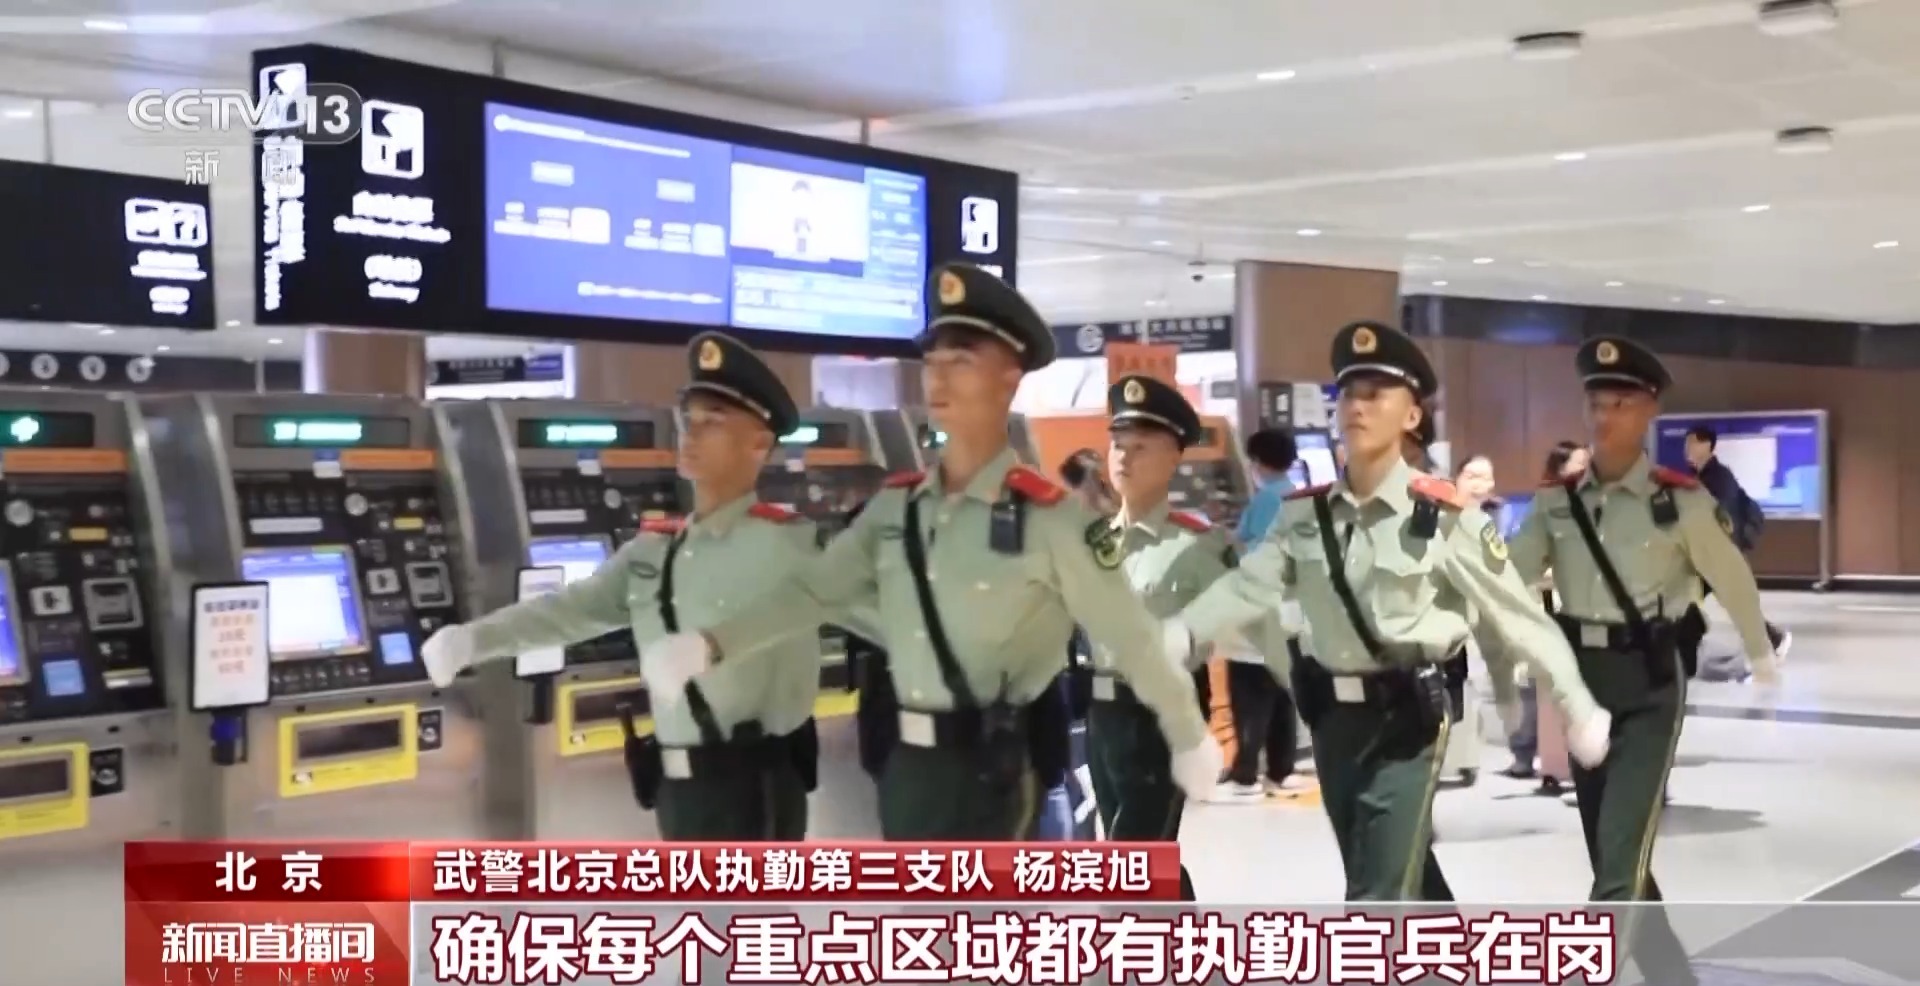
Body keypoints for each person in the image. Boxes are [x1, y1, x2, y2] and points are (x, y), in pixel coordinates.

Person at [636, 263, 1223, 840]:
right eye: (932, 363)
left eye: (961, 362)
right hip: (909, 767)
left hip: (993, 769)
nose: (938, 380)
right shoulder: (897, 509)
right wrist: (711, 643)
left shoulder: (1051, 520)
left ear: (1008, 377)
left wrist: (1186, 732)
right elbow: (814, 590)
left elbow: (1128, 634)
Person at [1162, 320, 1612, 901]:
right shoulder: (1306, 516)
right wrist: (1183, 632)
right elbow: (1248, 587)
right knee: (1392, 873)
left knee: (1376, 895)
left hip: (1408, 722)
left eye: (1377, 394)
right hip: (1332, 719)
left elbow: (1520, 615)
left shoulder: (1446, 517)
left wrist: (1577, 706)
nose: (1357, 406)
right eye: (1349, 393)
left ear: (1411, 415)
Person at [418, 331, 820, 841]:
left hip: (754, 789)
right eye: (689, 419)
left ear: (759, 444)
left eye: (714, 422)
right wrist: (473, 640)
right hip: (676, 792)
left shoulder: (790, 545)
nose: (692, 434)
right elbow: (570, 610)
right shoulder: (655, 550)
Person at [1507, 336, 1780, 985]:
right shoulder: (1556, 501)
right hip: (1582, 686)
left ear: (1650, 409)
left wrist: (1759, 650)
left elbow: (1731, 576)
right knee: (1615, 854)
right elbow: (1508, 577)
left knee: (1618, 858)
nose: (1605, 416)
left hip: (1650, 684)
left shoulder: (1679, 501)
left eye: (1621, 403)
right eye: (1596, 403)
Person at [1087, 374, 1281, 895]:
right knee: (1149, 862)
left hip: (1164, 718)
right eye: (1118, 445)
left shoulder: (1198, 546)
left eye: (1141, 447)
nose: (1124, 458)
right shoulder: (1091, 541)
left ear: (1174, 457)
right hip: (1102, 715)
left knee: (1129, 862)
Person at [1215, 426, 1305, 801]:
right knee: (1283, 693)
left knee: (1249, 693)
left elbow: (1251, 553)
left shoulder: (1266, 501)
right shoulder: (1297, 496)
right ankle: (1281, 771)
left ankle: (1246, 776)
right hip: (1291, 613)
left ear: (1256, 462)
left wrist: (1222, 538)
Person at [1505, 441, 1587, 785]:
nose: (1585, 470)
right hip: (1544, 607)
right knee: (1534, 683)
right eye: (1578, 464)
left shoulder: (1595, 503)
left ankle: (1565, 761)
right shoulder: (1544, 506)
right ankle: (1531, 755)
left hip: (1579, 609)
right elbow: (1522, 562)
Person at [1678, 426, 1791, 675]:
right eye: (1686, 443)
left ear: (1707, 445)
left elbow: (1725, 520)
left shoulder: (1719, 478)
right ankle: (1772, 640)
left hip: (1719, 554)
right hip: (1707, 554)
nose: (1687, 448)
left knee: (1706, 600)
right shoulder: (1699, 476)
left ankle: (1772, 641)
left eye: (1692, 443)